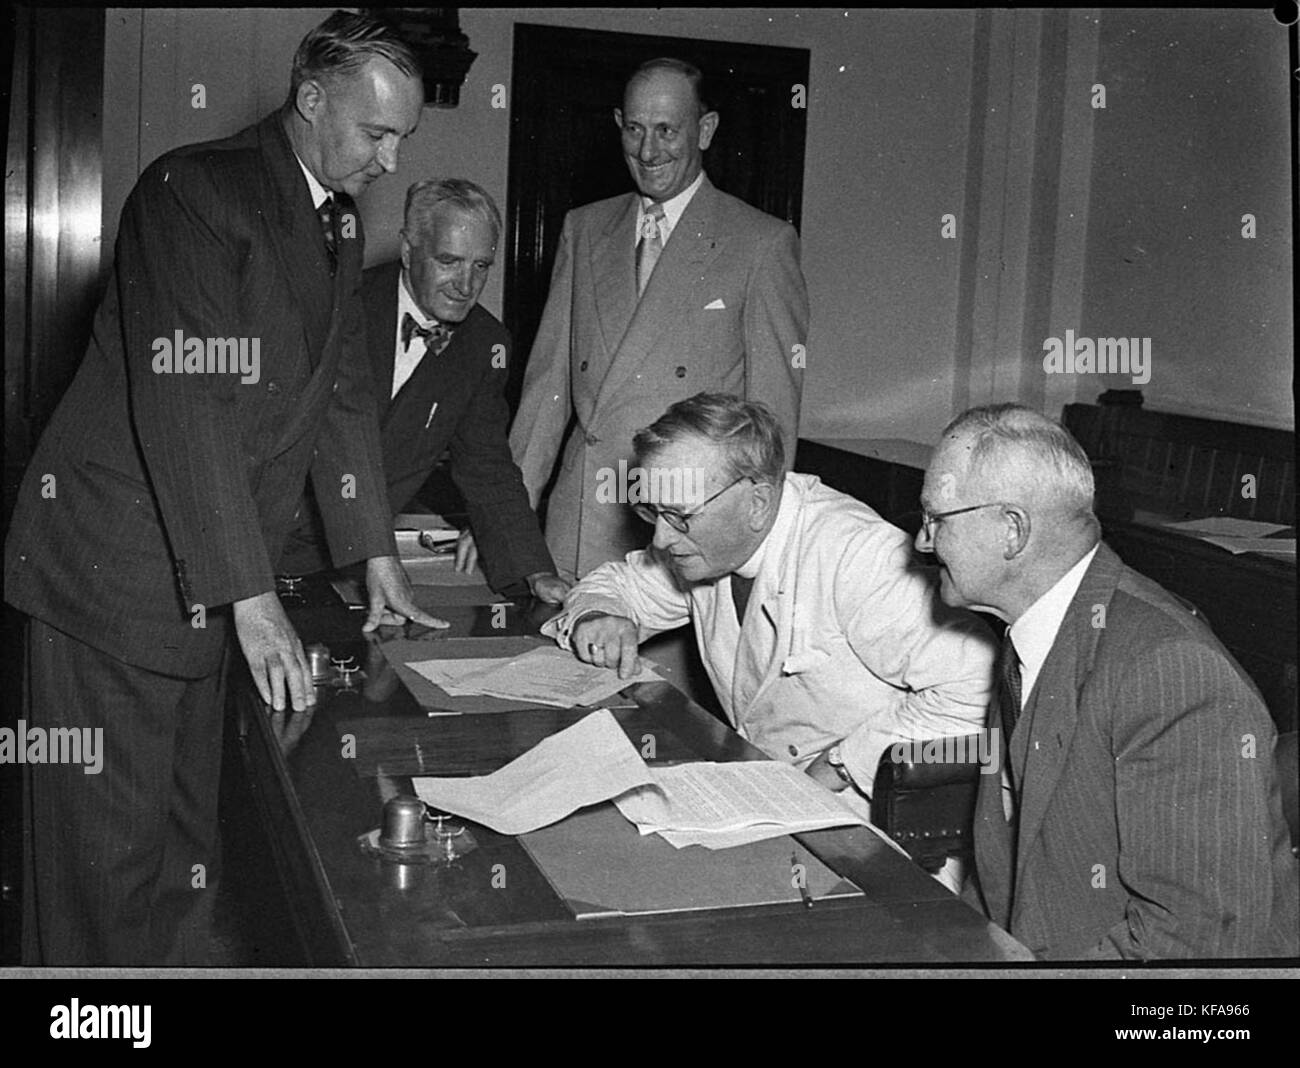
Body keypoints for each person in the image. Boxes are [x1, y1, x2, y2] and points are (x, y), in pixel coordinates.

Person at [3, 11, 442, 965]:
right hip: (113, 577)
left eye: (403, 137)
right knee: (99, 873)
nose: (390, 158)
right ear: (311, 97)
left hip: (199, 582)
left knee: (181, 859)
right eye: (377, 133)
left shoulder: (334, 217)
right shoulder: (193, 191)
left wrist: (374, 549)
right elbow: (186, 399)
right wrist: (250, 597)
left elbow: (343, 392)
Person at [917, 403, 1299, 958]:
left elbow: (1197, 940)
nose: (923, 543)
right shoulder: (1031, 629)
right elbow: (1008, 876)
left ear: (1011, 531)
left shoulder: (1169, 672)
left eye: (937, 519)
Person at [542, 393, 993, 798]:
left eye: (678, 516)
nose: (660, 538)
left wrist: (844, 762)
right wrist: (598, 615)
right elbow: (615, 585)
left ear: (757, 502)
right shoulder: (706, 547)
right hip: (768, 786)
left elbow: (978, 686)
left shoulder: (857, 554)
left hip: (870, 809)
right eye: (652, 512)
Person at [510, 58, 810, 581]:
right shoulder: (584, 229)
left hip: (682, 531)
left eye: (667, 130)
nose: (648, 152)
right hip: (579, 521)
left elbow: (771, 423)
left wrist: (759, 555)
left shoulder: (760, 244)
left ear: (706, 130)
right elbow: (546, 389)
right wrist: (505, 516)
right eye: (634, 129)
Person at [280, 178, 569, 604]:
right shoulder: (337, 305)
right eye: (449, 261)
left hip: (349, 563)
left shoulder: (484, 344)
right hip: (259, 536)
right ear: (407, 249)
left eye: (481, 266)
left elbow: (488, 468)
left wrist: (534, 571)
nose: (465, 285)